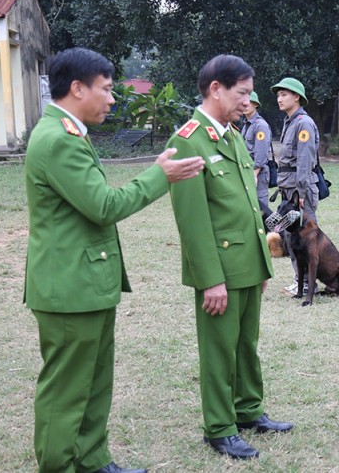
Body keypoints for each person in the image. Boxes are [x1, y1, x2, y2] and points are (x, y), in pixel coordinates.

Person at [24, 47, 204, 473]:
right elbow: (103, 206)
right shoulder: (58, 140)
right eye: (106, 90)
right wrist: (162, 174)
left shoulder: (68, 132)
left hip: (85, 285)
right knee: (66, 390)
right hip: (69, 289)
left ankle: (92, 460)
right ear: (77, 88)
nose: (112, 99)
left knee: (93, 383)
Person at [166, 55, 292, 460]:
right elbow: (193, 220)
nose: (247, 101)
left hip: (246, 263)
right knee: (220, 350)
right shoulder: (188, 139)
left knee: (245, 344)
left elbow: (247, 206)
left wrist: (261, 261)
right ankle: (219, 427)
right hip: (219, 268)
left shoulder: (232, 134)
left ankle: (248, 409)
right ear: (215, 89)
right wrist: (210, 279)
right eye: (241, 93)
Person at [270, 77, 319, 296]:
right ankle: (301, 281)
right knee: (291, 238)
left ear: (297, 96)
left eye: (284, 94)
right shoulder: (290, 122)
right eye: (278, 95)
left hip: (300, 192)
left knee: (305, 238)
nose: (279, 99)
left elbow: (305, 161)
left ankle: (310, 284)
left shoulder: (303, 123)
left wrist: (301, 191)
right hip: (289, 191)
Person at [241, 90, 273, 213]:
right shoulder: (246, 124)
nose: (245, 105)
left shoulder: (260, 125)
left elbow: (261, 153)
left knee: (261, 209)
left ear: (256, 105)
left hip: (258, 173)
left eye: (249, 102)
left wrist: (254, 174)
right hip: (248, 171)